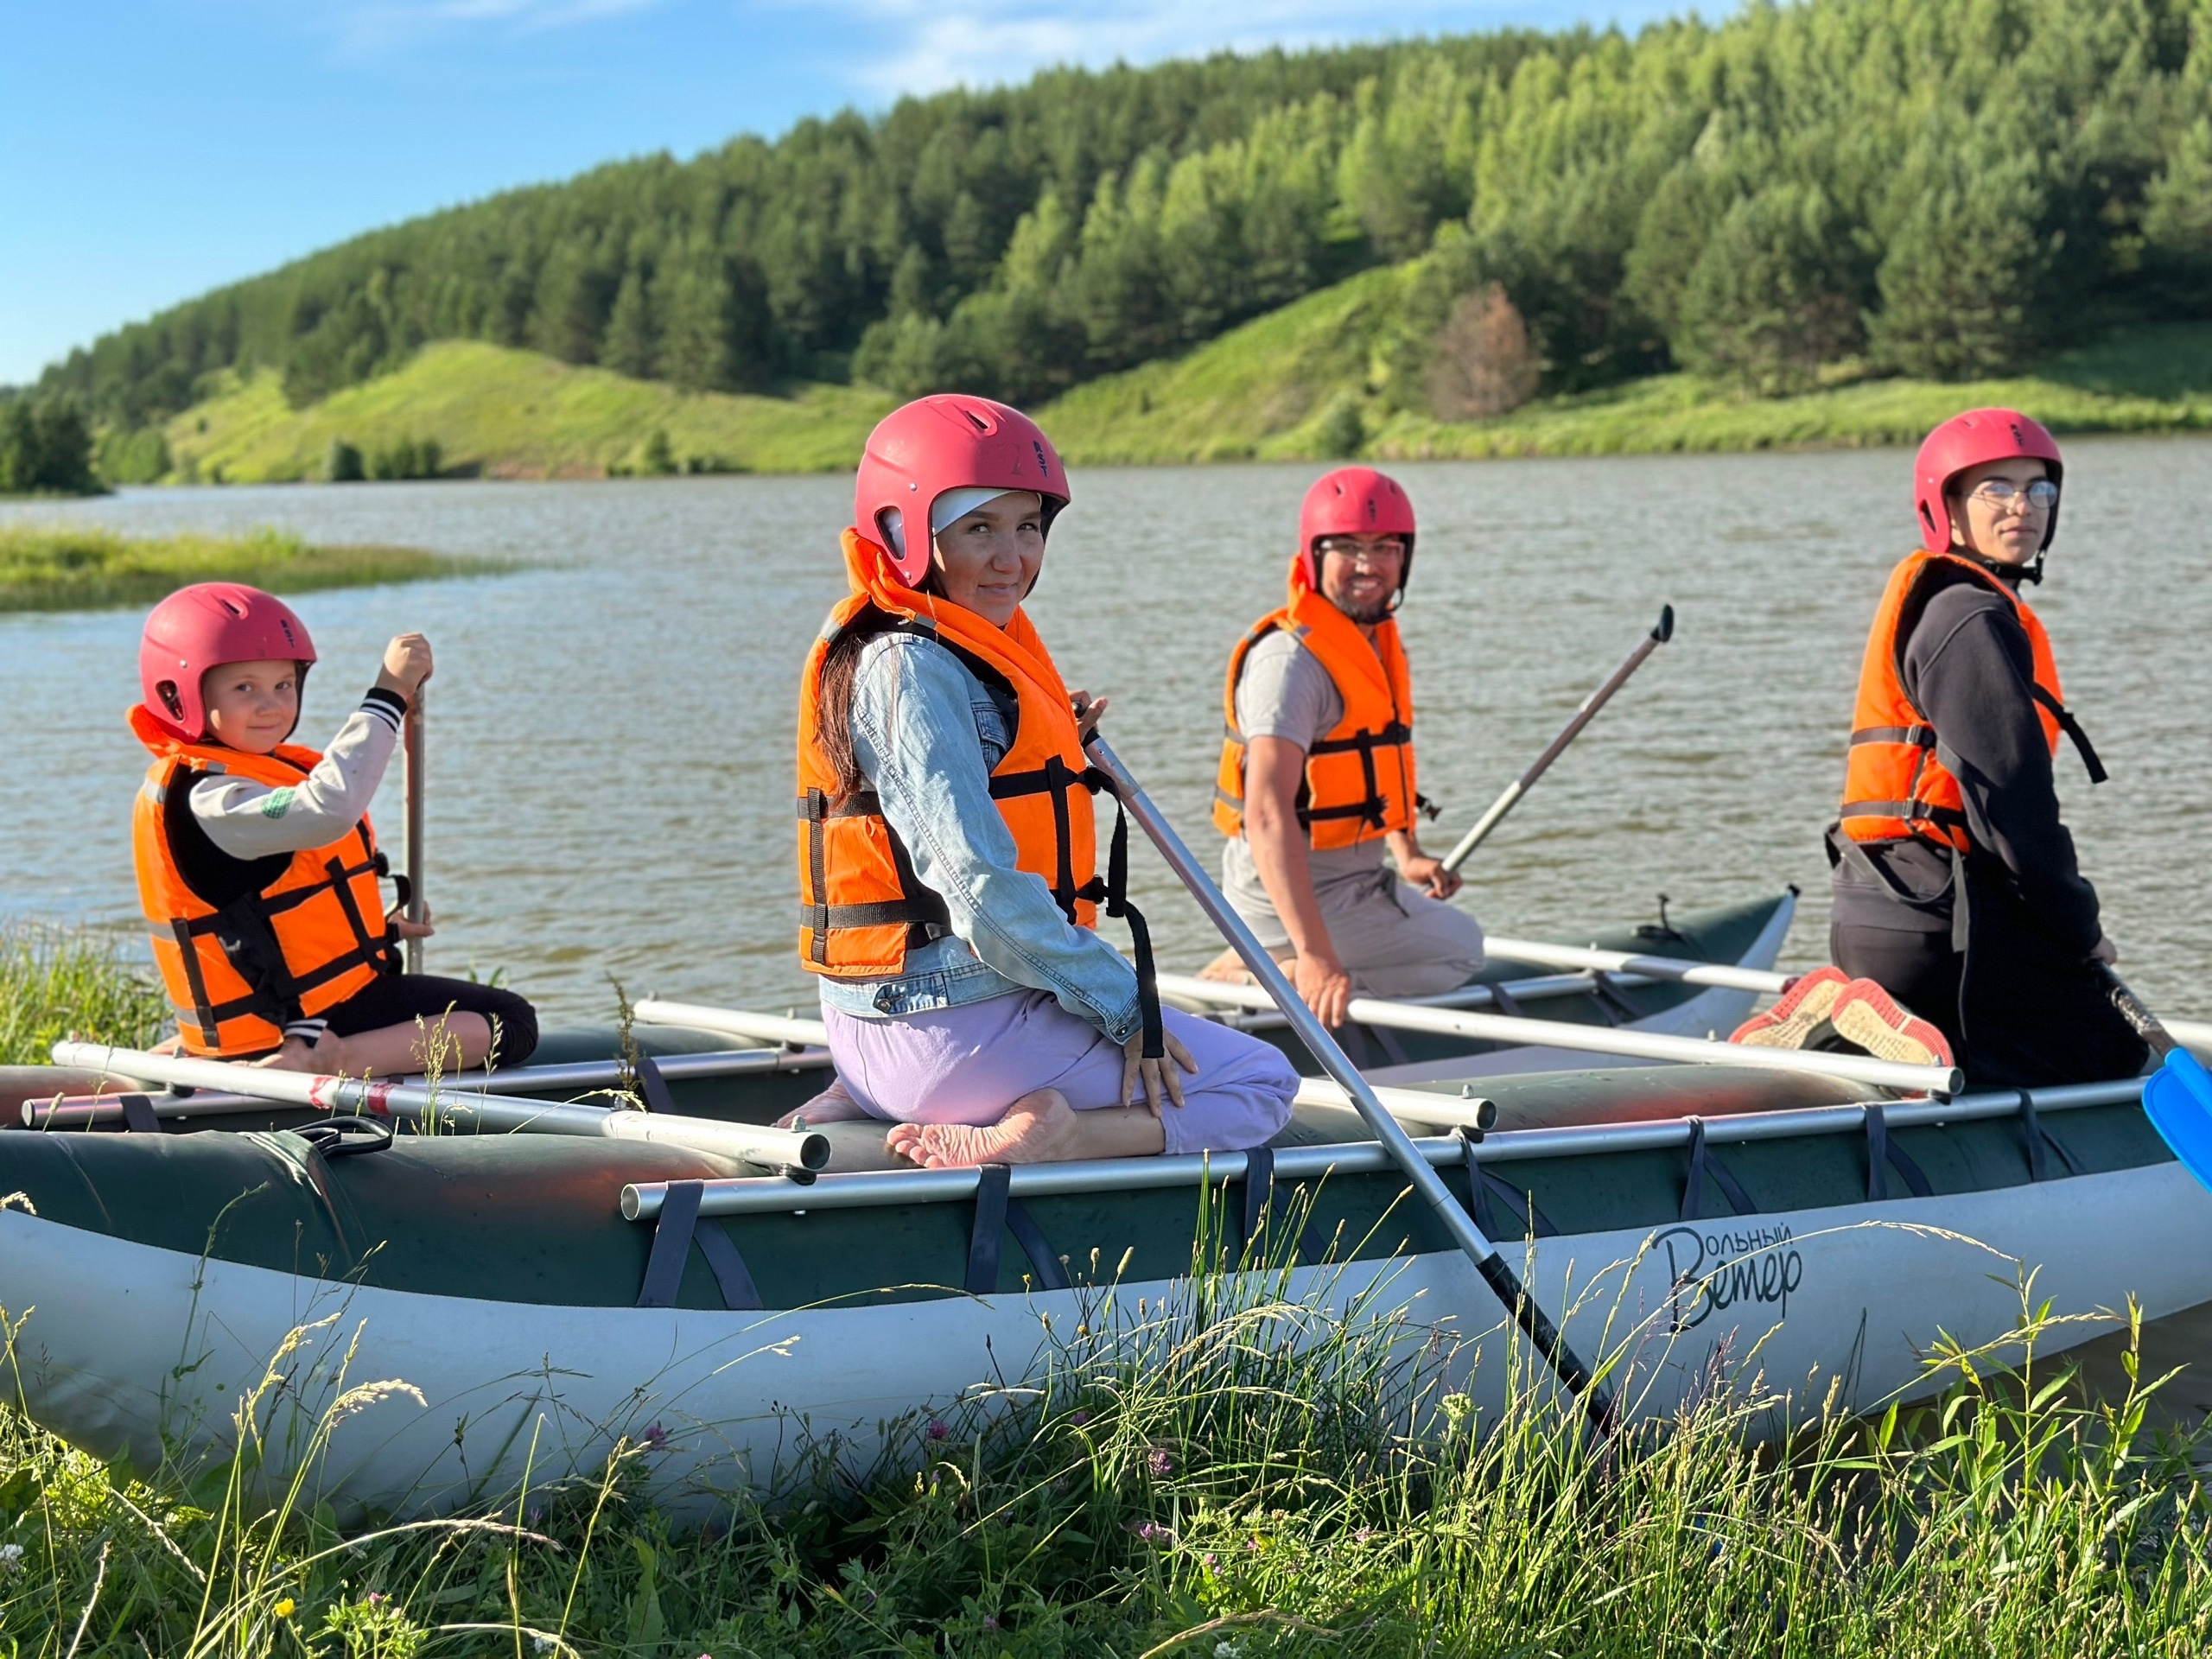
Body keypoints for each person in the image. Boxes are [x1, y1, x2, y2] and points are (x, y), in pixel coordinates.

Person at [787, 393, 1299, 1167]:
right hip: (949, 1033)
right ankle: (1059, 1135)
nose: (1011, 558)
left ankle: (887, 1090)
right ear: (904, 534)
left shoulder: (935, 644)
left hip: (876, 1035)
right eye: (979, 529)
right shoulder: (910, 669)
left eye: (1028, 527)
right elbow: (982, 894)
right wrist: (1131, 1013)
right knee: (1261, 1084)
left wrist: (1054, 736)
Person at [1821, 408, 2145, 1087]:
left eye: (2039, 490)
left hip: (1883, 900)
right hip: (1939, 923)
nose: (2021, 507)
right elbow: (2015, 807)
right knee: (2106, 1050)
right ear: (1947, 507)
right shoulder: (1969, 617)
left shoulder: (1958, 604)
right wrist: (2080, 928)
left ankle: (1877, 1042)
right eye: (1995, 488)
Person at [130, 582, 537, 1075]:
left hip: (296, 1009)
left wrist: (375, 932)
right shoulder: (212, 797)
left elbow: (260, 916)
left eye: (283, 685)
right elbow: (329, 806)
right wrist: (391, 691)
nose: (271, 706)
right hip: (294, 1023)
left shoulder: (245, 773)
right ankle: (329, 1060)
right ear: (177, 696)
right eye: (245, 688)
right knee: (510, 1020)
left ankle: (272, 1055)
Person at [1204, 466, 1484, 1028]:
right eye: (1348, 547)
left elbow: (1381, 763)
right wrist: (1316, 957)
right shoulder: (1291, 664)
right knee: (1461, 946)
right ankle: (1271, 971)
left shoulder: (1370, 638)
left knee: (1445, 930)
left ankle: (1266, 958)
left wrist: (1406, 853)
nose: (1368, 564)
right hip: (1289, 890)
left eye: (1385, 547)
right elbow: (1263, 814)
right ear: (1313, 555)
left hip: (1351, 879)